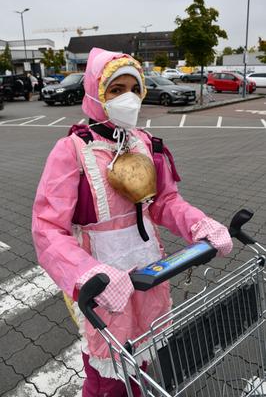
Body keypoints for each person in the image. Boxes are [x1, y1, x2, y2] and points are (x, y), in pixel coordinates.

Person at [32, 47, 232, 397]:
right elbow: (48, 228)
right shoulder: (72, 150)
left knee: (142, 358)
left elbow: (165, 202)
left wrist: (201, 226)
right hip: (102, 279)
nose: (127, 98)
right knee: (107, 376)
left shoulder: (143, 143)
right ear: (95, 92)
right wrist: (87, 274)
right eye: (115, 90)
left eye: (133, 89)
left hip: (148, 270)